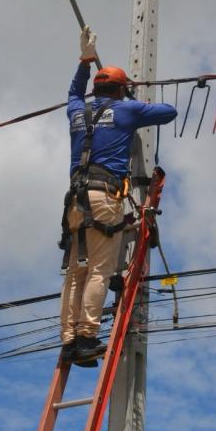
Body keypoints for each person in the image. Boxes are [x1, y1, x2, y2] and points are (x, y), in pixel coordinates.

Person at [59, 26, 177, 366]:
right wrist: (135, 101)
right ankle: (86, 336)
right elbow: (169, 111)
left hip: (75, 201)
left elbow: (73, 92)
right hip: (103, 196)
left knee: (75, 273)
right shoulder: (127, 111)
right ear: (121, 89)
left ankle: (69, 340)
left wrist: (85, 61)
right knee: (99, 269)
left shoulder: (77, 111)